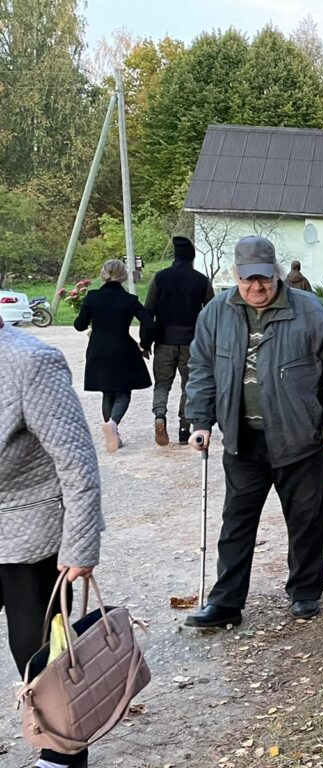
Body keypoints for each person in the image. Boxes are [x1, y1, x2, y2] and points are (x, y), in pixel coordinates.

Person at [184, 236, 323, 628]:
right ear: (236, 275)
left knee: (306, 520)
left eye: (263, 278)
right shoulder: (216, 313)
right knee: (236, 524)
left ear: (276, 274)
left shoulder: (310, 310)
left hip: (301, 437)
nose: (256, 287)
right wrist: (200, 421)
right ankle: (225, 603)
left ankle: (305, 592)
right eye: (248, 279)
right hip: (243, 439)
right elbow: (201, 369)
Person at [0, 315, 103, 768]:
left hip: (29, 536)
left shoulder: (31, 361)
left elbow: (77, 460)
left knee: (39, 654)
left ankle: (62, 754)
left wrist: (80, 545)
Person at [73, 259, 154, 454]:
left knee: (107, 392)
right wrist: (144, 345)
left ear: (103, 274)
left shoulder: (92, 297)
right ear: (123, 275)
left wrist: (87, 314)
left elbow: (79, 325)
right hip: (123, 349)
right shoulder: (129, 299)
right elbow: (149, 324)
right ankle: (113, 424)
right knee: (124, 392)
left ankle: (113, 433)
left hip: (98, 349)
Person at [140, 236, 214, 446]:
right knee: (189, 386)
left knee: (162, 384)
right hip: (192, 343)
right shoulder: (201, 280)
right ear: (192, 257)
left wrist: (145, 342)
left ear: (175, 255)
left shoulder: (160, 278)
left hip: (164, 339)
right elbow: (211, 313)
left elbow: (148, 311)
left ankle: (160, 415)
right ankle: (184, 428)